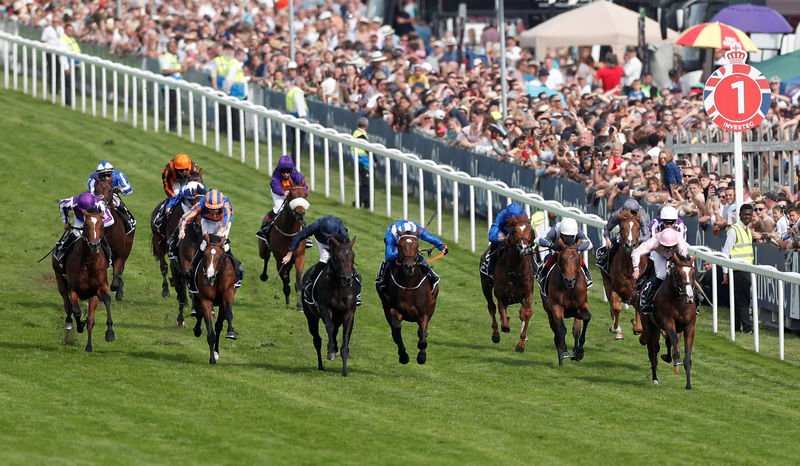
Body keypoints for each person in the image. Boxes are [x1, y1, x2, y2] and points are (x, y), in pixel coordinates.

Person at [281, 215, 362, 305]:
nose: (328, 238)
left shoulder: (341, 229)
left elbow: (347, 245)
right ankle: (310, 285)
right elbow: (299, 236)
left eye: (330, 235)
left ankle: (357, 293)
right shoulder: (316, 225)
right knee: (324, 260)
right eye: (326, 235)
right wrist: (289, 254)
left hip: (338, 243)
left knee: (346, 264)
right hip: (322, 243)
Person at [178, 189, 243, 291]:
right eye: (211, 209)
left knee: (224, 246)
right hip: (207, 221)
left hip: (222, 222)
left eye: (216, 209)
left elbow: (225, 220)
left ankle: (237, 271)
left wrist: (220, 233)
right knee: (204, 245)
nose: (214, 211)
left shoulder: (225, 204)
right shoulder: (201, 203)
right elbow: (187, 216)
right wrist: (182, 229)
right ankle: (192, 271)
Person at [376, 219, 448, 291]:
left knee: (415, 255)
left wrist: (441, 246)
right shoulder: (391, 234)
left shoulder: (417, 230)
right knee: (391, 261)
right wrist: (403, 253)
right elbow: (389, 256)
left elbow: (430, 237)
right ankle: (383, 278)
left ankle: (431, 274)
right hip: (396, 244)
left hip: (410, 241)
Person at [631, 228, 689, 315]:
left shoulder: (680, 243)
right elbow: (636, 252)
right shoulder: (654, 241)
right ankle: (647, 300)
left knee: (685, 273)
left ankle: (695, 297)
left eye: (670, 247)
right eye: (665, 247)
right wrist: (636, 268)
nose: (667, 249)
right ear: (660, 243)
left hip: (676, 255)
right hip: (659, 255)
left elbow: (685, 259)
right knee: (661, 275)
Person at [54, 192, 113, 273]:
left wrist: (95, 226)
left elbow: (110, 219)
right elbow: (62, 204)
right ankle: (62, 254)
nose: (84, 211)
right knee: (76, 235)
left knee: (98, 239)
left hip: (95, 221)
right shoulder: (72, 202)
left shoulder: (99, 203)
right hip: (80, 220)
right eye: (82, 209)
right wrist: (66, 221)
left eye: (86, 210)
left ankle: (108, 258)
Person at [256, 155, 309, 242]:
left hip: (291, 193)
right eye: (283, 171)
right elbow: (275, 187)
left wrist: (305, 191)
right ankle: (265, 229)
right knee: (278, 209)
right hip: (278, 193)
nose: (285, 174)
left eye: (288, 171)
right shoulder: (276, 175)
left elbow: (303, 185)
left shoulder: (295, 173)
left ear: (291, 170)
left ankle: (305, 233)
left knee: (298, 208)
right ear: (279, 169)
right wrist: (283, 192)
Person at [721, 204, 755, 333]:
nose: (747, 217)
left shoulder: (747, 230)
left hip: (745, 269)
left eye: (749, 215)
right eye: (745, 214)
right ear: (740, 214)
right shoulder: (734, 230)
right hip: (738, 269)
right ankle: (747, 327)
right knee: (743, 299)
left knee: (739, 299)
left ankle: (736, 326)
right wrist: (725, 271)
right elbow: (726, 251)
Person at [596, 198, 651, 272]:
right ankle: (605, 265)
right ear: (624, 211)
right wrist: (607, 239)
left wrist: (637, 240)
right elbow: (607, 228)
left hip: (638, 235)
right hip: (623, 236)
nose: (632, 215)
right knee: (611, 248)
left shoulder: (642, 216)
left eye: (634, 213)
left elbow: (647, 236)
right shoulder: (617, 214)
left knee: (651, 254)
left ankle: (650, 272)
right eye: (630, 213)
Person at [535, 217, 593, 286]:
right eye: (565, 236)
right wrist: (552, 245)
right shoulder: (556, 229)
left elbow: (589, 244)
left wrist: (577, 248)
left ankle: (587, 276)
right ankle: (542, 275)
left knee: (579, 259)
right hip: (558, 252)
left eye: (572, 236)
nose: (569, 239)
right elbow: (537, 240)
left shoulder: (577, 230)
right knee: (549, 258)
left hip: (573, 253)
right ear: (561, 233)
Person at [481, 203, 529, 277]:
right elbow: (491, 236)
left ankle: (536, 268)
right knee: (494, 244)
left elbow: (529, 231)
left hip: (518, 235)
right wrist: (503, 238)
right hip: (504, 234)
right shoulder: (501, 216)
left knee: (528, 246)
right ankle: (491, 268)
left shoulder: (524, 216)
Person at [87, 161, 135, 233]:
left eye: (108, 175)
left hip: (112, 195)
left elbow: (129, 189)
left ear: (112, 173)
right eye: (102, 176)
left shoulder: (119, 175)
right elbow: (91, 193)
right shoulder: (93, 178)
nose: (105, 178)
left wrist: (120, 189)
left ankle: (129, 220)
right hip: (98, 196)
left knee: (117, 203)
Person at [165, 181, 206, 259]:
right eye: (190, 199)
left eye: (192, 199)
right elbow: (176, 198)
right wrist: (169, 206)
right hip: (187, 205)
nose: (192, 201)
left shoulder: (204, 191)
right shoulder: (184, 191)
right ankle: (173, 242)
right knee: (184, 220)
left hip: (200, 204)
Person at [223, 48, 248, 140]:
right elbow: (229, 79)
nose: (244, 57)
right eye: (242, 55)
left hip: (238, 92)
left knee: (237, 116)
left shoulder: (236, 64)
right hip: (235, 93)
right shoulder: (234, 65)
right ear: (238, 55)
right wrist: (227, 91)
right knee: (236, 116)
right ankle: (236, 136)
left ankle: (238, 135)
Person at [159, 38, 184, 132]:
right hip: (167, 85)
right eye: (171, 47)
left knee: (175, 107)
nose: (174, 48)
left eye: (175, 47)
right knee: (171, 107)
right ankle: (171, 126)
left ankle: (173, 125)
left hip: (175, 85)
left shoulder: (176, 57)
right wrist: (179, 70)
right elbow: (165, 71)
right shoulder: (166, 57)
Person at [285, 76, 309, 158]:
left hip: (292, 117)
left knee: (295, 141)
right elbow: (300, 106)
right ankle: (295, 160)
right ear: (302, 84)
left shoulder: (291, 91)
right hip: (299, 119)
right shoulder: (297, 93)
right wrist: (303, 119)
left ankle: (294, 159)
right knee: (298, 142)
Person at [59, 23, 80, 106]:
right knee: (68, 84)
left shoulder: (72, 39)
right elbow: (62, 55)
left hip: (75, 65)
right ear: (65, 30)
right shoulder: (62, 40)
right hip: (69, 65)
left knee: (72, 84)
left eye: (72, 30)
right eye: (69, 30)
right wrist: (66, 67)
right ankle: (68, 103)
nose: (71, 31)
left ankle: (70, 102)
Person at [353, 117, 372, 208]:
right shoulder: (361, 135)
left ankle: (367, 202)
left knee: (366, 182)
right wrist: (375, 160)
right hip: (362, 161)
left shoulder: (356, 133)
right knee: (365, 183)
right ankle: (359, 201)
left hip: (359, 160)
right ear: (366, 126)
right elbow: (367, 149)